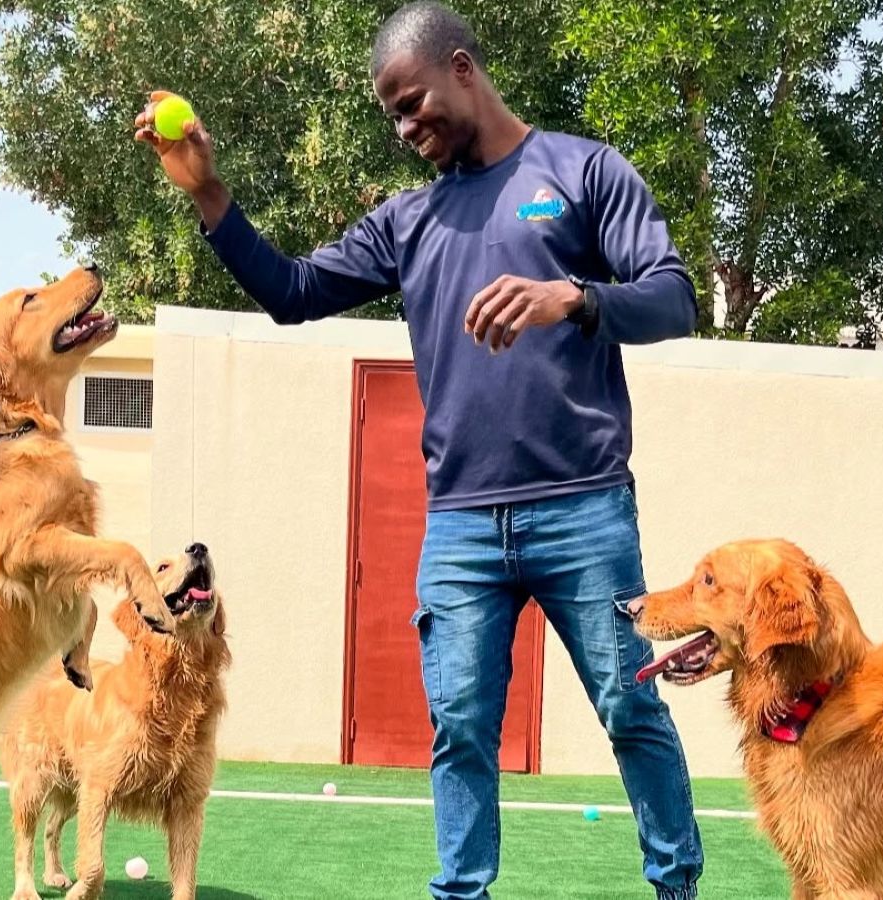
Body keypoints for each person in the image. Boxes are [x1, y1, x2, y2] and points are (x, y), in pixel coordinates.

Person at [136, 2, 703, 897]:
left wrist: (574, 298)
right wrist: (209, 193)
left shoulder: (584, 170)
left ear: (463, 69)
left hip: (584, 507)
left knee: (631, 707)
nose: (406, 129)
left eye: (414, 103)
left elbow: (675, 299)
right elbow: (291, 290)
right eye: (392, 114)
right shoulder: (407, 223)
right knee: (461, 730)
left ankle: (676, 887)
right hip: (463, 527)